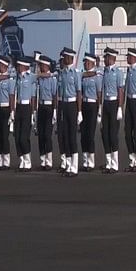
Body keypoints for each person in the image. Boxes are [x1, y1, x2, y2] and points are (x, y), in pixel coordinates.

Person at [57, 48, 82, 177]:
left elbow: (79, 93)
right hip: (64, 105)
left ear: (71, 58)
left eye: (66, 57)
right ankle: (67, 164)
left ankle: (74, 166)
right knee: (65, 136)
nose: (64, 59)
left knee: (72, 136)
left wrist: (79, 111)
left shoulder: (75, 73)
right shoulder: (62, 73)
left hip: (72, 105)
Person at [99, 47, 124, 173]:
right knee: (105, 133)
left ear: (112, 58)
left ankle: (115, 164)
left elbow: (120, 90)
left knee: (113, 134)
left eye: (106, 57)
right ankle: (108, 162)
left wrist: (120, 107)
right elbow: (102, 90)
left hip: (114, 103)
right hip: (106, 103)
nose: (104, 60)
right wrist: (100, 107)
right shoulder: (105, 72)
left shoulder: (118, 72)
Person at [13, 57, 37, 172]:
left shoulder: (30, 77)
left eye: (19, 66)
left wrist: (33, 112)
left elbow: (33, 97)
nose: (17, 68)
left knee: (24, 137)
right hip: (18, 108)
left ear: (25, 66)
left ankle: (27, 161)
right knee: (17, 136)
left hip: (27, 108)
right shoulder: (17, 78)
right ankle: (22, 160)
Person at [80, 53, 102, 171]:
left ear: (93, 63)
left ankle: (91, 161)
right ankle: (85, 161)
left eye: (88, 62)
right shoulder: (83, 76)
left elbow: (99, 94)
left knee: (90, 134)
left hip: (93, 105)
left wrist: (99, 109)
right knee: (83, 134)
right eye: (85, 62)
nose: (86, 64)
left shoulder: (97, 76)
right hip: (84, 104)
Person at [0, 55, 16, 170]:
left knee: (4, 135)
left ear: (5, 66)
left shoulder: (9, 80)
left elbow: (12, 96)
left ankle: (6, 161)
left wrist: (12, 111)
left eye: (1, 65)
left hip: (6, 109)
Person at [35, 55, 56, 170]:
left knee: (47, 135)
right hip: (41, 106)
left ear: (47, 65)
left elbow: (54, 96)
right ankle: (42, 160)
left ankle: (49, 160)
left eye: (41, 65)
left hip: (49, 107)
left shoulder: (52, 79)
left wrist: (55, 111)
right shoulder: (40, 78)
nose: (40, 67)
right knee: (41, 135)